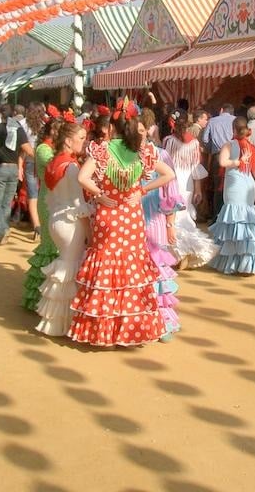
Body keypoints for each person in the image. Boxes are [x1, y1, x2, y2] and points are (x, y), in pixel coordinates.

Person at [68, 101, 175, 348]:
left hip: (108, 214)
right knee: (131, 269)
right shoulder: (143, 151)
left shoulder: (103, 151)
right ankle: (129, 330)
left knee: (106, 267)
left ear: (112, 127)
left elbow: (83, 178)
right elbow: (169, 174)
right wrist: (142, 190)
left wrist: (98, 194)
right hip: (132, 215)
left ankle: (104, 331)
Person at [36, 122, 91, 337]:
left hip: (55, 220)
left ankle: (56, 323)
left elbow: (50, 197)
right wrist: (90, 235)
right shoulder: (72, 167)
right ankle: (66, 324)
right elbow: (79, 206)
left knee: (62, 269)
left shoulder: (53, 163)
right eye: (81, 138)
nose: (84, 142)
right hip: (70, 223)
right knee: (69, 271)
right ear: (68, 141)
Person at [138, 118, 181, 341]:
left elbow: (170, 191)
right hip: (131, 220)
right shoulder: (125, 155)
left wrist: (170, 223)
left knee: (155, 268)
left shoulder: (161, 155)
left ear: (149, 130)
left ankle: (160, 321)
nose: (138, 134)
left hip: (154, 219)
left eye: (142, 130)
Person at [163, 112, 218, 269]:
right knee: (185, 214)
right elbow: (196, 167)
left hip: (172, 179)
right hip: (188, 182)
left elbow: (164, 164)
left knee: (172, 216)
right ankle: (185, 250)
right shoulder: (194, 143)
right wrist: (199, 189)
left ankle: (176, 253)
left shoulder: (168, 141)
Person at [209, 116, 255, 275]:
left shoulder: (229, 144)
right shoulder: (253, 148)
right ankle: (246, 263)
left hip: (234, 186)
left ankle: (230, 262)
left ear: (233, 129)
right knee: (245, 220)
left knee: (233, 219)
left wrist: (238, 162)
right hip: (248, 185)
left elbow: (223, 163)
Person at [22, 116, 62, 311]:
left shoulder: (50, 149)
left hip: (57, 200)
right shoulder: (43, 150)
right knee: (49, 247)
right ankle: (38, 296)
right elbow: (56, 169)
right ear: (52, 132)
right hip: (48, 201)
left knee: (57, 248)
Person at [0, 103, 33, 245]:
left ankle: (2, 229)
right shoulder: (18, 130)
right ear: (13, 114)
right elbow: (27, 149)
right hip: (14, 168)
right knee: (6, 203)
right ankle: (2, 231)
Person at [202, 104, 235, 220]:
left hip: (218, 155)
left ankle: (217, 216)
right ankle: (230, 216)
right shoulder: (235, 121)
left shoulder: (212, 121)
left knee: (218, 187)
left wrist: (212, 148)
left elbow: (205, 139)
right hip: (234, 156)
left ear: (221, 110)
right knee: (232, 185)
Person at [20, 102, 46, 239]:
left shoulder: (23, 124)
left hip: (30, 162)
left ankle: (37, 226)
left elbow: (23, 148)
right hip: (44, 161)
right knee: (44, 193)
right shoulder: (45, 123)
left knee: (32, 196)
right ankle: (43, 222)